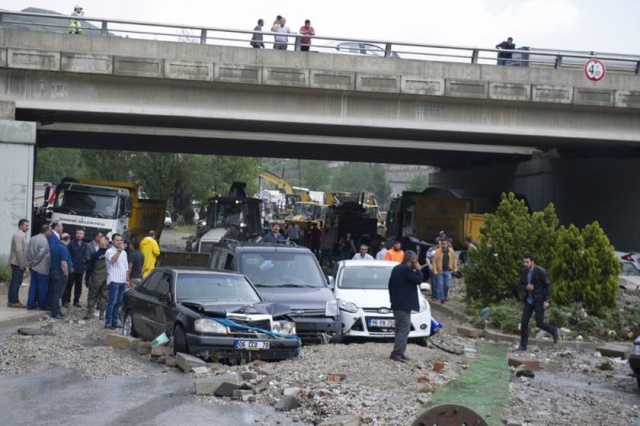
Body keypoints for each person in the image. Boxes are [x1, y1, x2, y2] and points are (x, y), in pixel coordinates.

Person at [518, 253, 559, 351]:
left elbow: (547, 286)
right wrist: (526, 287)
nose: (525, 264)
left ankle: (554, 330)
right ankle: (523, 345)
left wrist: (547, 300)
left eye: (527, 262)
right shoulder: (523, 271)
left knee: (539, 323)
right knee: (524, 323)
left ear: (532, 262)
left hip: (539, 301)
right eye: (524, 262)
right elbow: (519, 285)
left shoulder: (540, 271)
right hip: (528, 300)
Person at [388, 250, 423, 363]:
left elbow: (390, 285)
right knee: (404, 329)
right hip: (403, 305)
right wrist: (419, 270)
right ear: (412, 260)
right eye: (415, 261)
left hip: (397, 303)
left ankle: (400, 352)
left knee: (400, 329)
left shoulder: (396, 268)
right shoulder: (406, 269)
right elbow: (418, 280)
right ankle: (397, 353)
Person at [104, 234, 129, 329]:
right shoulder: (109, 251)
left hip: (122, 280)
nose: (119, 242)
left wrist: (127, 279)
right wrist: (119, 251)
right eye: (117, 240)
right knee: (112, 302)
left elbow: (126, 267)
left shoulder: (124, 253)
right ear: (112, 241)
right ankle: (108, 322)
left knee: (118, 302)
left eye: (120, 240)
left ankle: (115, 321)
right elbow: (113, 260)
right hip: (113, 279)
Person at [84, 237, 109, 321]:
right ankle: (102, 315)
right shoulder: (110, 254)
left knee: (92, 296)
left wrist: (87, 279)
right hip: (106, 278)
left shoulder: (95, 255)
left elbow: (90, 268)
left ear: (101, 244)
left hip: (96, 278)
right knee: (104, 297)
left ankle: (89, 313)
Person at [27, 224, 51, 311]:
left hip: (33, 267)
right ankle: (42, 305)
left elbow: (28, 251)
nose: (50, 232)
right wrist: (33, 263)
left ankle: (30, 304)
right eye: (50, 230)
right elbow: (41, 255)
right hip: (42, 268)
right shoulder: (44, 240)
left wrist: (30, 262)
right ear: (47, 230)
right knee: (42, 287)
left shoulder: (33, 238)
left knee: (33, 286)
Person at [8, 219, 30, 308]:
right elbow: (18, 250)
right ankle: (14, 300)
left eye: (28, 226)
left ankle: (12, 299)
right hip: (17, 263)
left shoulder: (21, 235)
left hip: (17, 262)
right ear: (20, 226)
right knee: (16, 282)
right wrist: (22, 264)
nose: (27, 227)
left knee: (14, 281)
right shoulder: (18, 235)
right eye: (26, 225)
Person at [63, 228, 86, 308]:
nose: (79, 234)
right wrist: (70, 265)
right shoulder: (71, 243)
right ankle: (66, 301)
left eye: (81, 233)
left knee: (78, 286)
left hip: (80, 269)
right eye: (78, 233)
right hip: (72, 268)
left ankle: (76, 301)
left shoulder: (84, 245)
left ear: (83, 235)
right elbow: (67, 255)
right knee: (69, 285)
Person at [49, 233, 71, 319]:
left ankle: (56, 310)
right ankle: (55, 312)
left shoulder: (55, 247)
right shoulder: (63, 249)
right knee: (57, 294)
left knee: (54, 292)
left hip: (53, 271)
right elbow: (64, 263)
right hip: (60, 272)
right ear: (68, 239)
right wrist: (66, 274)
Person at [433, 239, 457, 303]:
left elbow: (454, 260)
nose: (444, 245)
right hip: (440, 271)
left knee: (447, 285)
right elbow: (434, 261)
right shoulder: (437, 251)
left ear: (447, 244)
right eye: (443, 244)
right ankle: (442, 298)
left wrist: (455, 268)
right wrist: (435, 270)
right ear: (441, 244)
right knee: (440, 285)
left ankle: (445, 296)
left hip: (448, 271)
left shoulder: (451, 251)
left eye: (445, 243)